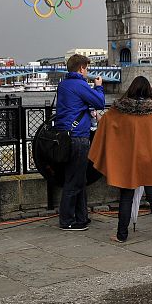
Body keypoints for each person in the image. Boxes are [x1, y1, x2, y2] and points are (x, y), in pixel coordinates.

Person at [88, 76, 152, 243]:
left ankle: (122, 235)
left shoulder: (119, 109)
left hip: (128, 160)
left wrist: (98, 118)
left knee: (126, 196)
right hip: (148, 159)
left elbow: (106, 123)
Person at [55, 54, 105, 230]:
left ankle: (81, 217)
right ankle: (67, 220)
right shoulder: (79, 84)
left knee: (79, 178)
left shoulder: (63, 85)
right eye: (86, 68)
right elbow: (100, 102)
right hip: (78, 137)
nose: (87, 71)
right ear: (81, 68)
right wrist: (98, 87)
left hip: (65, 136)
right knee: (74, 180)